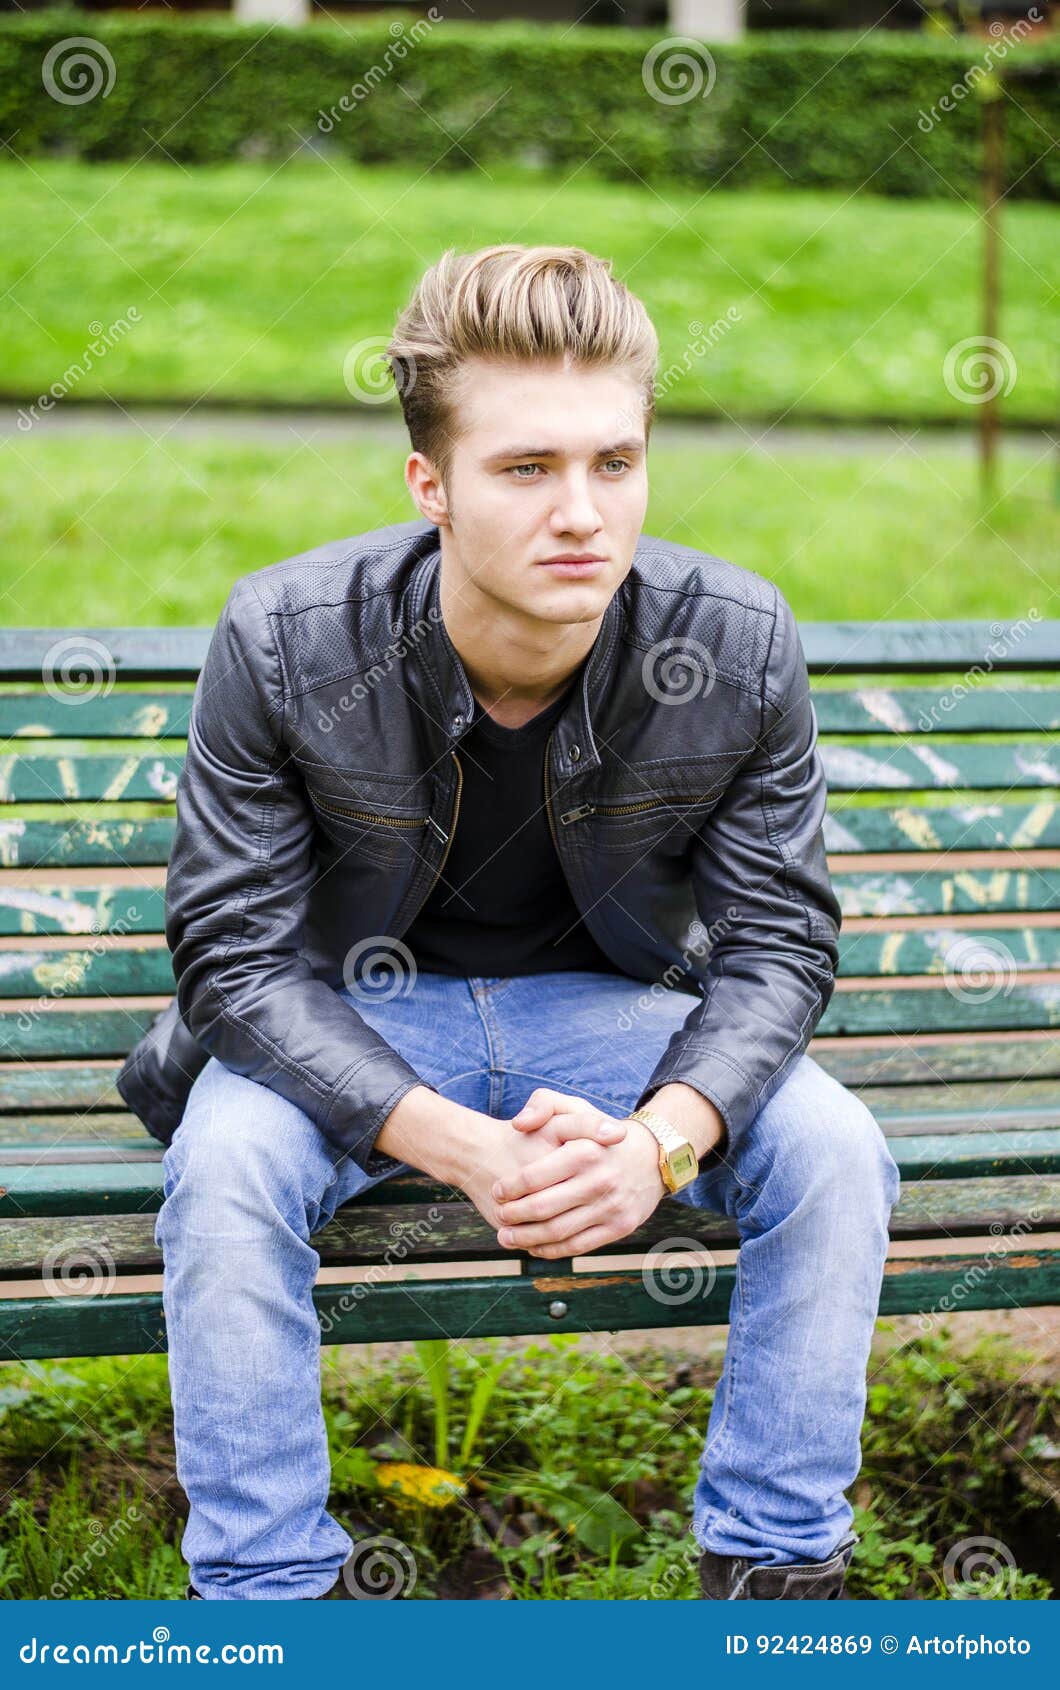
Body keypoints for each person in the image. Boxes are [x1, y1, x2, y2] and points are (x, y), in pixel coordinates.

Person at [119, 244, 900, 1601]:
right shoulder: (287, 635)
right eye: (527, 469)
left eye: (616, 462)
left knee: (835, 1146)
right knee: (228, 1162)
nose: (584, 513)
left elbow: (779, 943)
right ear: (430, 484)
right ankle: (268, 1601)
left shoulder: (737, 640)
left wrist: (659, 1143)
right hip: (347, 1017)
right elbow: (236, 957)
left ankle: (777, 1583)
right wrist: (463, 1145)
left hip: (610, 1019)